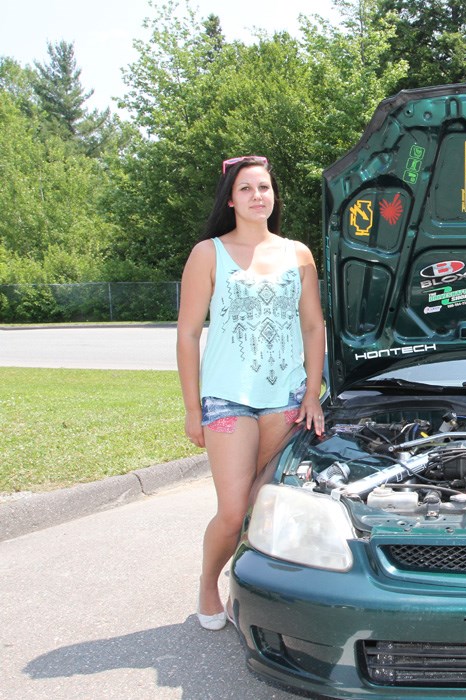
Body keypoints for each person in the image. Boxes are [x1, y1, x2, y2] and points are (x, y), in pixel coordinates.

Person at [176, 155, 326, 631]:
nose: (258, 196)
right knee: (234, 507)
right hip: (228, 400)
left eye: (264, 187)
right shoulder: (208, 253)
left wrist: (313, 394)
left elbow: (312, 325)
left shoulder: (298, 253)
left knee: (268, 502)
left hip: (286, 397)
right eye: (246, 189)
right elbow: (186, 334)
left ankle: (257, 595)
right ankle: (207, 583)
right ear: (231, 198)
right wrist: (191, 409)